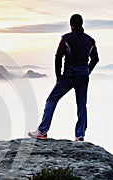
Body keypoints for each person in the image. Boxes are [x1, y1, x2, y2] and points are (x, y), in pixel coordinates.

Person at [28, 14, 99, 142]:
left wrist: (58, 77)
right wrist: (87, 71)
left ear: (71, 24)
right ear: (81, 24)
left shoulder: (66, 39)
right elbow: (95, 59)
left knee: (51, 99)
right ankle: (80, 136)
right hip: (83, 76)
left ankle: (42, 131)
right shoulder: (90, 41)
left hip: (68, 75)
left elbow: (58, 57)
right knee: (82, 105)